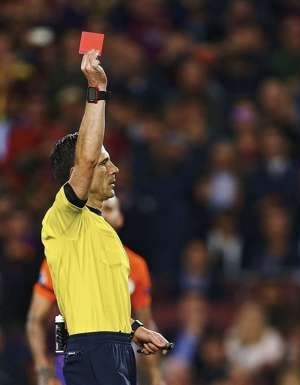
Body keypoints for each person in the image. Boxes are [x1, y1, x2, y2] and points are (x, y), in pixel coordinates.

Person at [41, 50, 170, 385]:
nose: (114, 169)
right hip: (93, 348)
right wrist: (97, 91)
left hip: (115, 347)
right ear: (77, 173)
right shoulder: (64, 218)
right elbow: (85, 159)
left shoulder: (103, 230)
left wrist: (134, 329)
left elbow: (98, 301)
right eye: (104, 163)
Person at [27, 197, 165, 385]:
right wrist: (43, 369)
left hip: (118, 354)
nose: (102, 215)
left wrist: (155, 376)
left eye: (109, 209)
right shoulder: (61, 260)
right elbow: (36, 319)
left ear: (120, 218)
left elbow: (146, 322)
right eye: (98, 209)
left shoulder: (136, 266)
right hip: (72, 353)